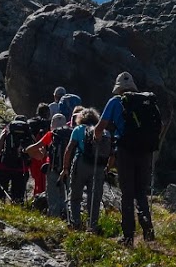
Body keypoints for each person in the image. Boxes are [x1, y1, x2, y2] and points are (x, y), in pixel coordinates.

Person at [96, 72, 165, 244]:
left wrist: (96, 138)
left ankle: (128, 236)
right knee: (141, 192)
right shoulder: (146, 102)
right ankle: (148, 232)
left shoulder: (115, 102)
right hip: (145, 151)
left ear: (118, 87)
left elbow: (100, 127)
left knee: (127, 193)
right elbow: (160, 125)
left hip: (125, 151)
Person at [62, 107, 105, 231]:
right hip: (98, 166)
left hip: (81, 163)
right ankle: (92, 226)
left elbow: (69, 149)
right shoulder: (100, 130)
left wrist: (65, 167)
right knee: (94, 198)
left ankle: (76, 223)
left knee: (75, 195)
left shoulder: (78, 129)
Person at [26, 113, 72, 217]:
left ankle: (54, 217)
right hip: (69, 170)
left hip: (53, 169)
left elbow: (35, 147)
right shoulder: (71, 133)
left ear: (52, 124)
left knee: (53, 195)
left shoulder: (51, 134)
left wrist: (27, 150)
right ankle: (68, 216)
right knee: (67, 195)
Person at [0, 115, 36, 203]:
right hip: (21, 168)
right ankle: (17, 210)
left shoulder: (7, 130)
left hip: (3, 166)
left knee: (0, 192)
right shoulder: (27, 132)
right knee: (18, 195)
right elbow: (34, 149)